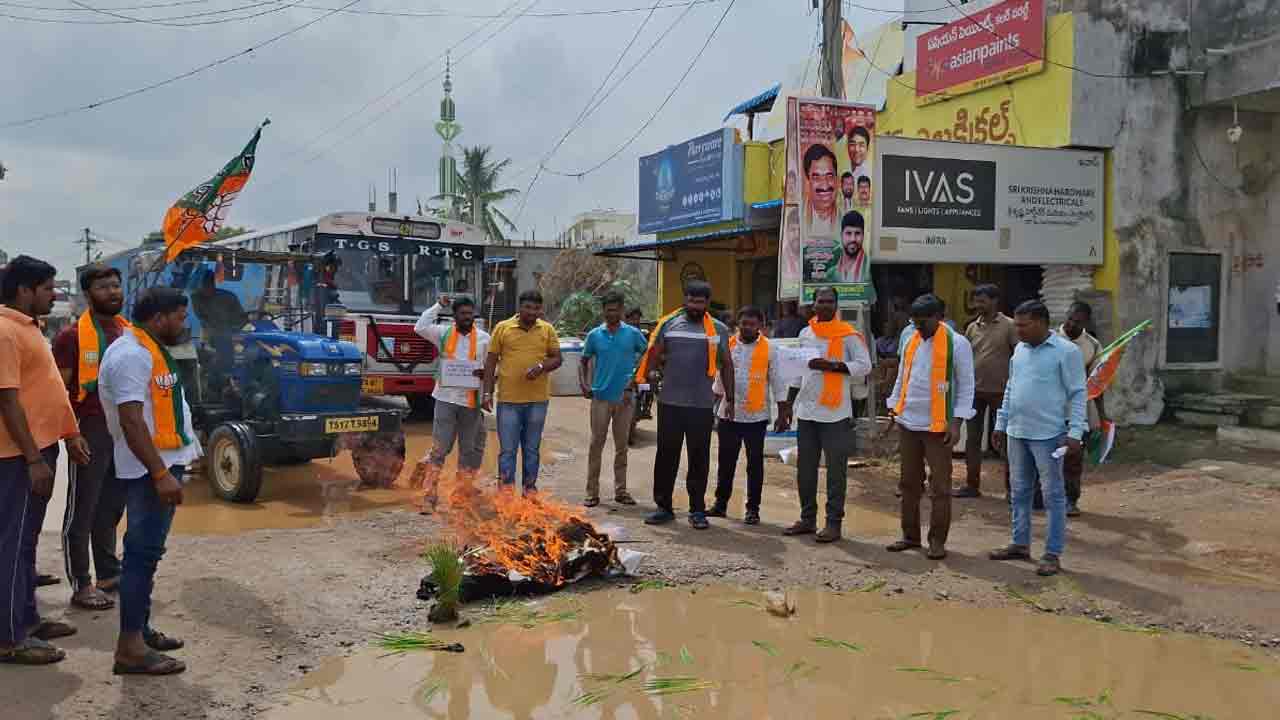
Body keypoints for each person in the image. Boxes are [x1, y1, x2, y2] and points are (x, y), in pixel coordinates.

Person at [99, 287, 201, 675]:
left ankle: (139, 631)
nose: (184, 322)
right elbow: (131, 420)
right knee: (142, 556)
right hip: (148, 471)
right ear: (159, 318)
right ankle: (130, 648)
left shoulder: (148, 350)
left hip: (159, 466)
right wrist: (160, 473)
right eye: (180, 315)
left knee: (147, 554)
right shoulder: (131, 356)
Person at [0, 256, 88, 666]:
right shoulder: (3, 331)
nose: (55, 294)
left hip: (37, 450)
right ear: (24, 290)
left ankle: (27, 618)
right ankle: (8, 637)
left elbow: (47, 389)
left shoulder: (29, 328)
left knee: (26, 542)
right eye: (49, 288)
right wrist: (34, 459)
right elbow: (8, 400)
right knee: (12, 545)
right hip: (18, 456)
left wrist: (70, 433)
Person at [989, 300, 1087, 577]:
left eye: (1023, 325)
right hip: (1017, 432)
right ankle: (1020, 543)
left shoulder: (1066, 352)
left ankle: (1052, 553)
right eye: (1016, 324)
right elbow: (1011, 388)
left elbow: (1079, 393)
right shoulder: (1019, 350)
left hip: (1049, 434)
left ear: (1042, 322)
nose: (1017, 330)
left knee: (1053, 495)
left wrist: (1075, 433)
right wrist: (1000, 423)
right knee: (1019, 492)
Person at [52, 264, 130, 611]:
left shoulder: (128, 331)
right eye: (103, 287)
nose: (112, 292)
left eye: (116, 286)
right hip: (90, 428)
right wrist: (70, 435)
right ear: (87, 294)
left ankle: (109, 573)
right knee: (81, 509)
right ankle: (81, 583)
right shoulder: (71, 337)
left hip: (123, 430)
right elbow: (59, 391)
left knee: (111, 506)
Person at [636, 281, 734, 529]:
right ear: (685, 299)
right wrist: (647, 377)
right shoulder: (669, 324)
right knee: (666, 455)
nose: (695, 306)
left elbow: (728, 365)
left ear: (707, 303)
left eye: (700, 302)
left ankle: (697, 510)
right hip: (670, 402)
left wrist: (730, 398)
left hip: (701, 405)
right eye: (691, 301)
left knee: (699, 458)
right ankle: (663, 507)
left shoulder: (718, 330)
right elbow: (654, 353)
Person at [885, 294, 976, 560]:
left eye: (923, 322)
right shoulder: (911, 338)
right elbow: (903, 376)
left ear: (940, 317)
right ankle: (910, 536)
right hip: (908, 421)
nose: (918, 328)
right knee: (909, 483)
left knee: (940, 487)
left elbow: (967, 385)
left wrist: (957, 423)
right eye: (914, 323)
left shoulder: (957, 344)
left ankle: (937, 540)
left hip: (938, 426)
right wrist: (894, 407)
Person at [779, 287, 872, 542]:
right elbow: (798, 372)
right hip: (807, 411)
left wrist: (832, 366)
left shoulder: (849, 335)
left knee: (835, 471)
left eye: (830, 302)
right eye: (821, 301)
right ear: (813, 304)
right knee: (805, 470)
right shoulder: (805, 333)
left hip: (836, 414)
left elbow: (865, 366)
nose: (825, 306)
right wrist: (788, 404)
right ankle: (807, 519)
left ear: (836, 305)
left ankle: (834, 523)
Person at [709, 306, 789, 525]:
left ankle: (752, 510)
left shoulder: (770, 349)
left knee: (754, 464)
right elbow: (719, 378)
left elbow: (778, 380)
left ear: (760, 326)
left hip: (756, 416)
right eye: (743, 323)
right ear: (738, 324)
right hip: (729, 413)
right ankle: (720, 505)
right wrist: (712, 407)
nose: (747, 327)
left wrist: (783, 411)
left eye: (752, 324)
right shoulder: (728, 345)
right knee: (726, 462)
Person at [410, 295, 490, 512]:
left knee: (468, 450)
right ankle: (429, 495)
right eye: (463, 313)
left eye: (470, 313)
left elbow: (493, 367)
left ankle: (460, 495)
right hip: (445, 399)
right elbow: (420, 326)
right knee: (439, 449)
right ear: (454, 316)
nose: (467, 317)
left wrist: (486, 380)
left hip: (470, 402)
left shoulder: (484, 338)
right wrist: (439, 305)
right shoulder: (443, 332)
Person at [482, 290, 562, 494]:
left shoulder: (547, 329)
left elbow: (557, 358)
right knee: (508, 450)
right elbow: (491, 362)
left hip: (537, 401)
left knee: (532, 449)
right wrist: (487, 392)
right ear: (520, 308)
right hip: (508, 401)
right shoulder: (503, 328)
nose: (532, 312)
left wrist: (542, 367)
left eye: (536, 308)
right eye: (527, 307)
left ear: (540, 309)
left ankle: (529, 488)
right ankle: (506, 492)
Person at [579, 292, 649, 507]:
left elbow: (648, 355)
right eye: (608, 310)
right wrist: (584, 384)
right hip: (600, 397)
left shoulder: (633, 334)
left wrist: (635, 379)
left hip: (625, 398)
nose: (612, 313)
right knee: (596, 444)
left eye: (616, 309)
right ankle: (592, 492)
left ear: (621, 310)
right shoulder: (594, 335)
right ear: (603, 311)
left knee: (622, 447)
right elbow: (583, 360)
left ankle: (621, 491)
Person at [957, 284, 1018, 499]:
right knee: (972, 440)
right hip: (975, 391)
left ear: (994, 301)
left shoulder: (1010, 326)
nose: (978, 305)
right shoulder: (972, 327)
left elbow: (1019, 356)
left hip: (1001, 392)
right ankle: (972, 485)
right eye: (976, 301)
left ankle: (1011, 489)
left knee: (1005, 439)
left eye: (982, 301)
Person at [1056, 301, 1105, 517]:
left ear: (1086, 322)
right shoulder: (1049, 339)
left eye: (1078, 321)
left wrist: (1101, 415)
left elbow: (1098, 383)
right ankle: (1044, 498)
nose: (1072, 324)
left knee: (1073, 457)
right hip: (1050, 408)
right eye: (1070, 318)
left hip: (1078, 409)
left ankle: (1070, 500)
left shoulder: (1092, 346)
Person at [803, 144, 839, 238]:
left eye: (829, 176)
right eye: (816, 177)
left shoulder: (846, 219)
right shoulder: (796, 219)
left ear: (837, 180)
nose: (824, 185)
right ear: (808, 183)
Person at [828, 211, 869, 284]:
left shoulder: (870, 269)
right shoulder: (831, 274)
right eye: (848, 233)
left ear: (863, 235)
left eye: (857, 233)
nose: (853, 239)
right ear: (841, 235)